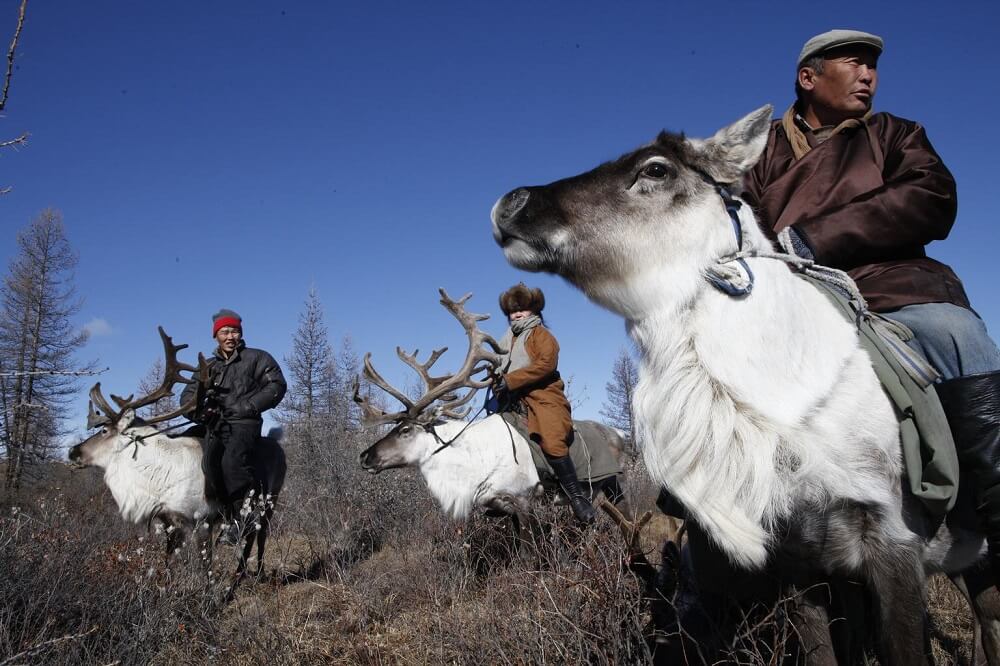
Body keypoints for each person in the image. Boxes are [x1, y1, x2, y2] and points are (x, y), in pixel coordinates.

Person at [741, 29, 1000, 583]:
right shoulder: (758, 153)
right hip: (794, 298)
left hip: (894, 286)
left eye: (873, 68)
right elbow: (738, 228)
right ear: (808, 77)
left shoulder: (895, 134)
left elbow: (930, 197)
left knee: (956, 333)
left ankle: (993, 503)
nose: (868, 76)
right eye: (855, 64)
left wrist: (816, 237)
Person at [181, 308, 287, 543]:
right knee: (206, 461)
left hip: (244, 423)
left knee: (231, 463)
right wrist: (202, 413)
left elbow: (276, 386)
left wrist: (246, 407)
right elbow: (187, 399)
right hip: (214, 425)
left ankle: (240, 520)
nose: (230, 336)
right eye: (225, 331)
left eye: (235, 331)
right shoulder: (206, 367)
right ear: (216, 335)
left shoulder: (258, 358)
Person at [494, 283, 595, 524]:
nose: (517, 314)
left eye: (522, 309)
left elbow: (546, 365)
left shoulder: (542, 335)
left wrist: (510, 380)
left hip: (543, 396)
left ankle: (577, 497)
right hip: (513, 399)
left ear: (533, 310)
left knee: (551, 439)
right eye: (512, 310)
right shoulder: (505, 341)